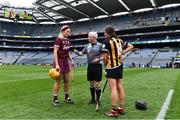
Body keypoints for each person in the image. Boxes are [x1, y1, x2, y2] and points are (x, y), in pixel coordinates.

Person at [101, 26, 134, 117]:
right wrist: (123, 52)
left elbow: (104, 58)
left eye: (104, 32)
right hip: (120, 66)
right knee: (120, 87)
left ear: (108, 33)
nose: (104, 34)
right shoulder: (120, 40)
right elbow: (131, 46)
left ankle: (113, 110)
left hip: (111, 67)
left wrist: (105, 68)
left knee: (113, 88)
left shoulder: (106, 42)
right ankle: (121, 108)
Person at [74, 31, 102, 107]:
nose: (88, 37)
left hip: (97, 66)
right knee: (91, 83)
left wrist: (99, 59)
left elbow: (105, 56)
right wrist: (77, 52)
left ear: (94, 37)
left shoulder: (100, 45)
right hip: (90, 66)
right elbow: (81, 53)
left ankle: (98, 100)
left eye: (89, 36)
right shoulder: (87, 46)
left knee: (97, 84)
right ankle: (93, 99)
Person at [52, 25, 74, 107]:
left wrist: (71, 60)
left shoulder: (67, 40)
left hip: (65, 61)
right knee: (58, 81)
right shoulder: (58, 39)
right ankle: (55, 99)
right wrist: (57, 64)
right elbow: (55, 52)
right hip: (59, 61)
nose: (69, 33)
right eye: (68, 31)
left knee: (66, 80)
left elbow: (68, 52)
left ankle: (66, 97)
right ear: (62, 31)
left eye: (69, 31)